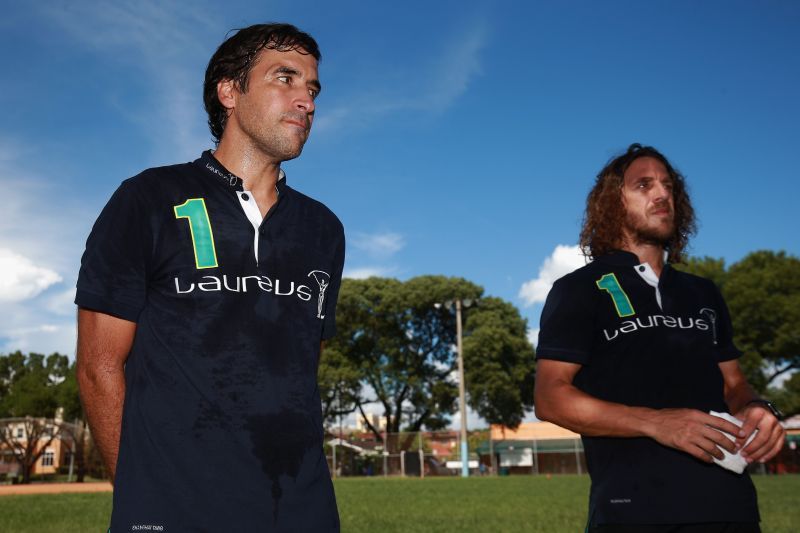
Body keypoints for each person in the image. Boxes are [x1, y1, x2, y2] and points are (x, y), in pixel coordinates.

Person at [75, 23, 344, 531]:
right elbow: (98, 365)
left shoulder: (323, 229)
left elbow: (301, 371)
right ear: (229, 91)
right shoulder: (148, 198)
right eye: (284, 79)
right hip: (173, 510)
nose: (305, 100)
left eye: (311, 88)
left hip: (302, 510)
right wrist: (139, 491)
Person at [534, 144, 785, 533]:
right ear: (612, 203)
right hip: (633, 509)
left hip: (730, 507)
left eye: (668, 185)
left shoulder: (704, 293)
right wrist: (657, 423)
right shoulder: (579, 289)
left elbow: (734, 384)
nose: (662, 194)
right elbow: (551, 398)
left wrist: (756, 408)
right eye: (644, 185)